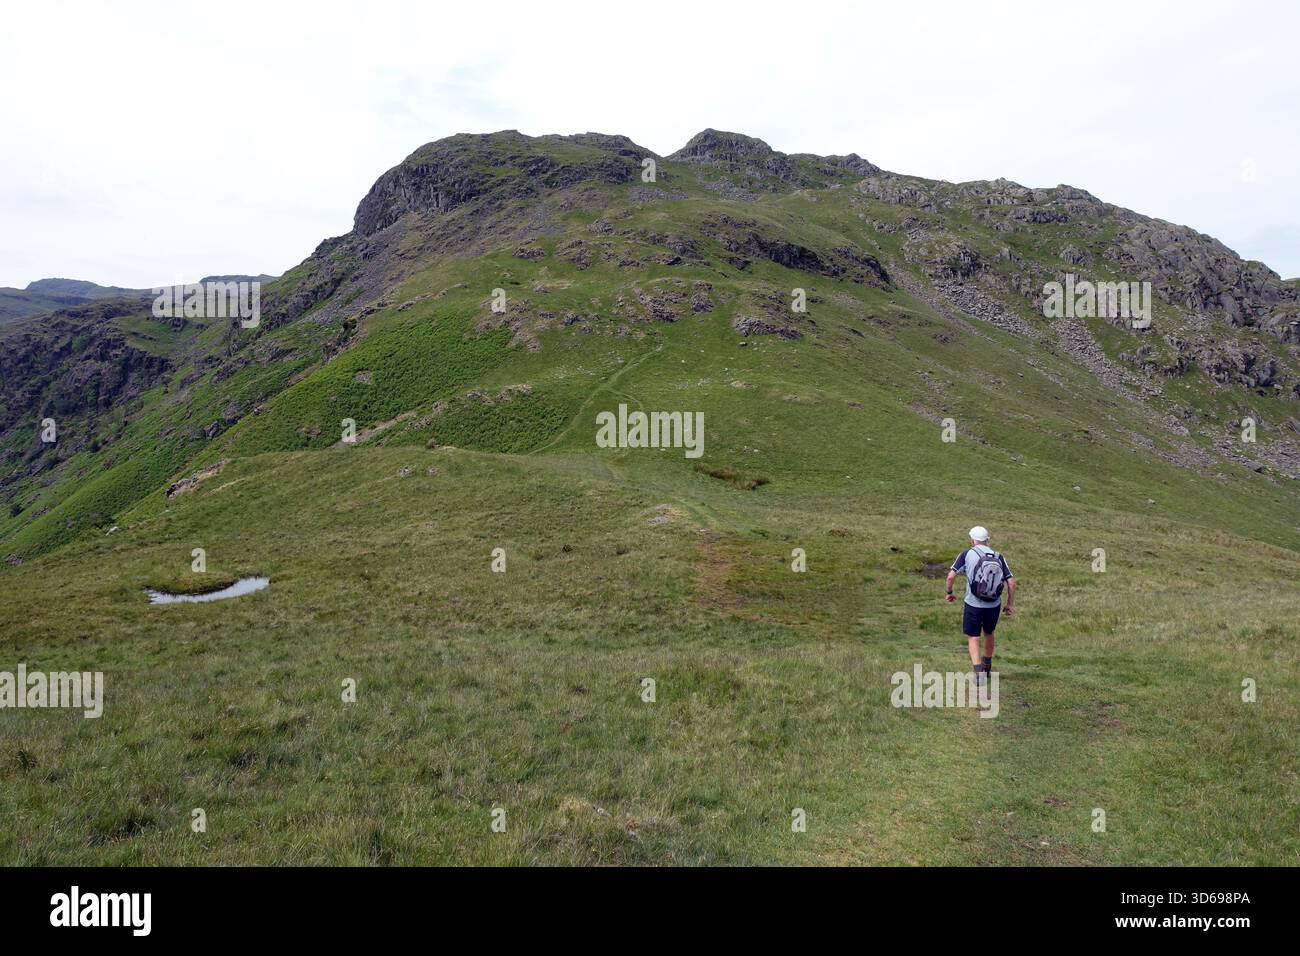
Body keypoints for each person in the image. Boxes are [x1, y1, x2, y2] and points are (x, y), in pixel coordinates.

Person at [945, 526, 1014, 685]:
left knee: (974, 637)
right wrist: (1009, 604)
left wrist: (949, 592)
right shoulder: (999, 556)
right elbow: (1011, 583)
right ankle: (987, 665)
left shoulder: (966, 554)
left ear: (972, 540)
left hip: (973, 604)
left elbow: (950, 577)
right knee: (989, 633)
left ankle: (978, 673)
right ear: (987, 540)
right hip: (994, 605)